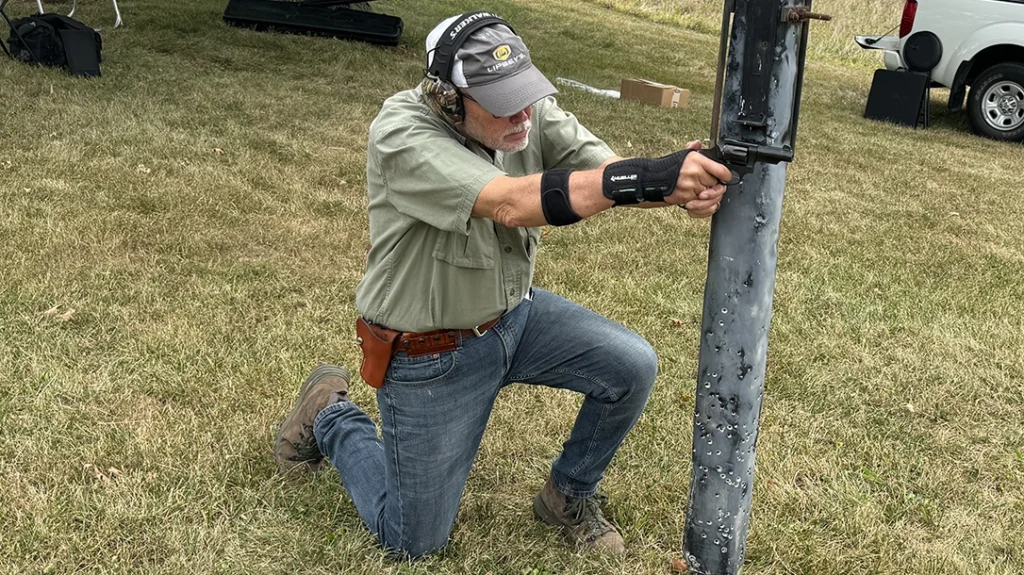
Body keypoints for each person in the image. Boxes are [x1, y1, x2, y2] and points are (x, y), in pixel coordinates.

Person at [274, 11, 732, 559]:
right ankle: (330, 414)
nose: (521, 113)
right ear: (448, 98)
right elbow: (512, 204)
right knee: (412, 541)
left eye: (524, 92)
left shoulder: (527, 109)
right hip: (431, 353)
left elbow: (606, 170)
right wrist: (648, 178)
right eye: (499, 101)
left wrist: (679, 180)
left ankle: (568, 495)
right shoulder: (401, 133)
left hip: (515, 319)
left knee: (630, 365)